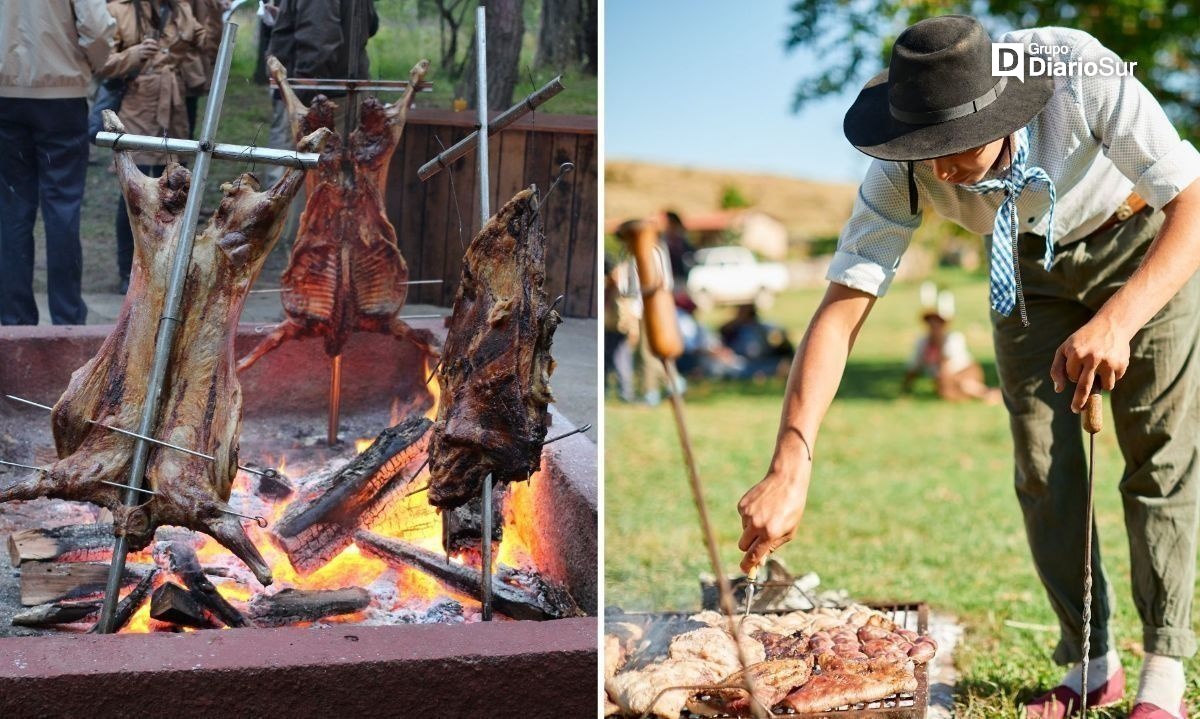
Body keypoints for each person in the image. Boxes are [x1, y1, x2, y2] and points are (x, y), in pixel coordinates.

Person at [736, 16, 1200, 719]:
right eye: (927, 149)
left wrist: (1119, 319)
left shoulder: (1082, 72)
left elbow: (1193, 203)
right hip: (1026, 261)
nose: (943, 167)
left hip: (1141, 237)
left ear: (1002, 107)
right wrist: (790, 461)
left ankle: (1162, 671)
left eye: (956, 145)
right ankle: (1088, 662)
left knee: (1157, 456)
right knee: (1043, 465)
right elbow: (842, 305)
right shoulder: (902, 162)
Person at [0, 0, 116, 325]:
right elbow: (95, 26)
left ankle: (14, 320)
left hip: (5, 95)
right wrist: (98, 64)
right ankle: (67, 318)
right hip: (61, 93)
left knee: (11, 210)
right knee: (62, 208)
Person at [101, 0, 205, 294]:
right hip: (136, 107)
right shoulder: (119, 10)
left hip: (174, 109)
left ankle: (168, 266)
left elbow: (205, 44)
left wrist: (203, 28)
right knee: (133, 191)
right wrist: (133, 55)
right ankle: (128, 270)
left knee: (173, 190)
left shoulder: (182, 7)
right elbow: (102, 63)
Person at [901, 285, 1000, 403]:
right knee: (948, 392)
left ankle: (989, 394)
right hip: (944, 378)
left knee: (964, 386)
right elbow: (914, 367)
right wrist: (905, 389)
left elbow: (947, 367)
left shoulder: (953, 339)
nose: (934, 327)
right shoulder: (922, 342)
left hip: (964, 372)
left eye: (938, 323)